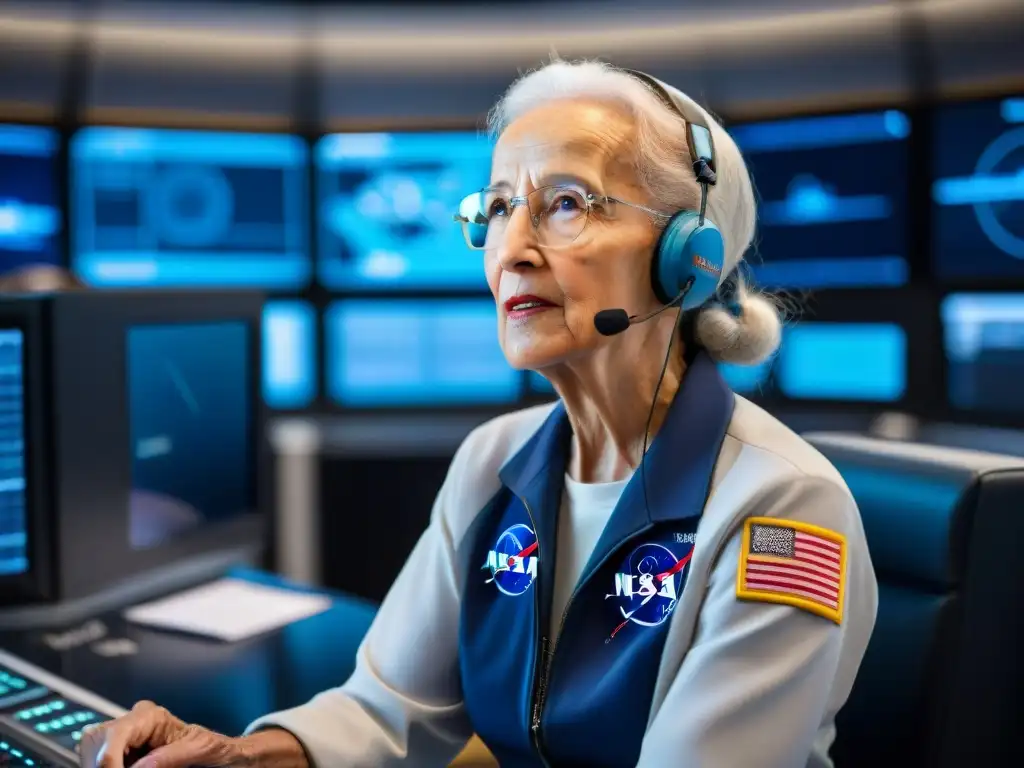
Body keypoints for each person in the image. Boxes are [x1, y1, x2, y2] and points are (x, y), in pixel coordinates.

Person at [81, 59, 877, 768]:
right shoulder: (493, 462)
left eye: (565, 203)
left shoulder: (781, 507)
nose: (511, 249)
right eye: (497, 208)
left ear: (687, 256)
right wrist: (243, 757)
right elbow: (387, 713)